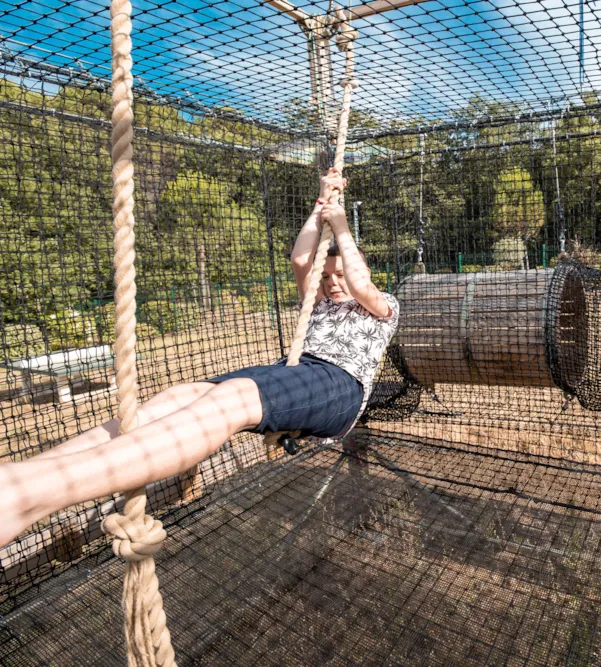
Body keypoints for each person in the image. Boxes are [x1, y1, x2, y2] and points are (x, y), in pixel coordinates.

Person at [0, 168, 398, 547]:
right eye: (327, 278)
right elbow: (299, 260)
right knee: (182, 395)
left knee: (232, 398)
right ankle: (18, 479)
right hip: (294, 372)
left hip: (338, 385)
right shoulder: (321, 304)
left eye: (340, 275)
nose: (333, 283)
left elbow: (361, 283)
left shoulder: (382, 307)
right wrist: (319, 208)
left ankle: (35, 495)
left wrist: (341, 223)